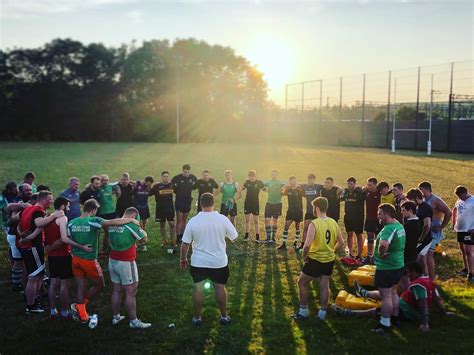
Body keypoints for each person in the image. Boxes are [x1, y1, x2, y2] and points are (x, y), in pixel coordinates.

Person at [68, 199, 140, 325]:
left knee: (80, 285)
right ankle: (81, 306)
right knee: (100, 285)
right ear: (94, 210)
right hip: (89, 260)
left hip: (75, 259)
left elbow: (68, 239)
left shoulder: (71, 222)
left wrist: (79, 246)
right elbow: (111, 222)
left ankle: (82, 314)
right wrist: (131, 220)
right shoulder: (94, 220)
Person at [341, 262, 452, 332]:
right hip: (405, 304)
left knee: (378, 310)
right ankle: (364, 293)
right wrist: (444, 312)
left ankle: (350, 312)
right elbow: (437, 299)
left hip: (407, 311)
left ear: (415, 272)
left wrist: (425, 324)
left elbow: (422, 304)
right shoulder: (429, 281)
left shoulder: (418, 285)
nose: (407, 275)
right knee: (386, 295)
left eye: (409, 272)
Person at [180, 193, 238, 326]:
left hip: (199, 262)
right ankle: (224, 316)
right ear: (214, 203)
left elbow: (185, 244)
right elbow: (234, 238)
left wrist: (183, 259)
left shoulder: (193, 221)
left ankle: (197, 318)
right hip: (219, 262)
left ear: (200, 204)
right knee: (220, 288)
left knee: (198, 288)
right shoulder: (222, 219)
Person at [293, 197, 344, 321]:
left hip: (315, 260)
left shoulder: (314, 223)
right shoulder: (333, 222)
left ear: (316, 208)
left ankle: (303, 311)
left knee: (302, 283)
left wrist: (305, 256)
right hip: (329, 259)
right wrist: (332, 250)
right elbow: (342, 242)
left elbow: (307, 245)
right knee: (324, 285)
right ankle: (322, 314)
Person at [44, 196, 92, 320]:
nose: (69, 208)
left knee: (53, 283)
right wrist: (81, 246)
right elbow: (64, 239)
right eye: (68, 205)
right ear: (63, 206)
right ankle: (65, 312)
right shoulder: (62, 218)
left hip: (51, 256)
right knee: (64, 284)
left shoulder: (48, 217)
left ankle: (53, 311)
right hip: (63, 255)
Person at [18, 191, 64, 314]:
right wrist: (54, 216)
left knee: (38, 276)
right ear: (44, 200)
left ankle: (34, 301)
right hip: (33, 247)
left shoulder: (28, 209)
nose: (52, 201)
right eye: (50, 199)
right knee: (34, 277)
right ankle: (31, 306)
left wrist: (21, 233)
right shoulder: (38, 210)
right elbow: (38, 223)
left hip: (28, 247)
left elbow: (18, 222)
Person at [108, 207, 151, 329]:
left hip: (112, 260)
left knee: (116, 290)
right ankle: (133, 321)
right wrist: (141, 228)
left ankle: (115, 316)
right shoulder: (131, 225)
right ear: (133, 217)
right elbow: (144, 239)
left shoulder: (113, 223)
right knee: (131, 292)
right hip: (126, 262)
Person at [370, 204, 406, 333]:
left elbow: (384, 244)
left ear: (387, 214)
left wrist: (380, 253)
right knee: (393, 292)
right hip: (398, 265)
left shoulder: (388, 229)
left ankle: (385, 323)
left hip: (387, 267)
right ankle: (395, 318)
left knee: (385, 296)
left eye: (380, 214)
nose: (378, 216)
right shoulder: (399, 225)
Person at [418, 182, 453, 280]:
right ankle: (425, 277)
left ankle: (431, 280)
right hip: (426, 232)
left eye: (421, 190)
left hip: (434, 232)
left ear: (426, 189)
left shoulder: (435, 200)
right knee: (423, 255)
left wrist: (441, 226)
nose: (420, 192)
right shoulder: (423, 200)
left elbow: (448, 212)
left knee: (428, 255)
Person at [406, 188, 433, 276]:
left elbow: (427, 225)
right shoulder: (418, 207)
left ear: (417, 198)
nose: (411, 202)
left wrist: (421, 239)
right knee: (421, 260)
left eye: (411, 200)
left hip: (425, 239)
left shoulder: (425, 208)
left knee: (419, 260)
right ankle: (425, 278)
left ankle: (424, 278)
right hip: (419, 238)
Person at [340, 177, 366, 259]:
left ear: (355, 184)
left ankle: (359, 254)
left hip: (358, 217)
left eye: (351, 184)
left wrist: (363, 188)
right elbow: (340, 198)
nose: (349, 185)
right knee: (349, 234)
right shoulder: (346, 192)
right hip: (347, 216)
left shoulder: (360, 191)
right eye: (348, 183)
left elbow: (367, 190)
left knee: (358, 235)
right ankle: (350, 253)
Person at [149, 171, 176, 247]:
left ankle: (172, 240)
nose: (166, 178)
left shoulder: (172, 185)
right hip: (160, 209)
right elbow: (149, 193)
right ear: (161, 177)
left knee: (172, 224)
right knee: (162, 225)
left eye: (167, 176)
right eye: (164, 176)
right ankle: (164, 240)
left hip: (170, 208)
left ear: (169, 177)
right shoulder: (157, 186)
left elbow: (179, 191)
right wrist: (151, 185)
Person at [400, 201, 423, 291]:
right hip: (413, 252)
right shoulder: (418, 221)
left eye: (403, 210)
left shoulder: (409, 225)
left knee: (404, 277)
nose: (401, 212)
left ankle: (406, 295)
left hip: (407, 254)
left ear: (410, 210)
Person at [453, 185, 474, 282]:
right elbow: (455, 209)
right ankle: (466, 269)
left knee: (469, 251)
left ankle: (472, 273)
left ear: (465, 192)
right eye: (458, 197)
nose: (460, 198)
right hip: (460, 229)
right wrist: (454, 222)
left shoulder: (473, 200)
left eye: (461, 196)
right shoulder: (459, 200)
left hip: (469, 229)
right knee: (463, 250)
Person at [172, 164, 197, 244]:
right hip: (179, 201)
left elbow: (197, 184)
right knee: (179, 220)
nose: (187, 174)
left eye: (188, 172)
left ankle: (183, 235)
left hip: (187, 201)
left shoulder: (192, 177)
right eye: (185, 172)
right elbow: (172, 187)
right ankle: (178, 236)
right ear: (182, 171)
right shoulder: (176, 178)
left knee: (184, 220)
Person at [278, 176, 305, 251]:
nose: (292, 182)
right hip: (290, 211)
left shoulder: (299, 189)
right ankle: (283, 244)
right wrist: (283, 187)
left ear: (296, 181)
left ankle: (295, 243)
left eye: (293, 181)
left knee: (297, 227)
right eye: (291, 181)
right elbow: (281, 194)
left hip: (298, 211)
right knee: (286, 227)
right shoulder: (288, 189)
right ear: (289, 182)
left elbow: (306, 195)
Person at [263, 170, 286, 243]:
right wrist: (265, 190)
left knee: (275, 221)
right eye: (272, 174)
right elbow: (261, 184)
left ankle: (273, 238)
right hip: (269, 203)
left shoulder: (280, 182)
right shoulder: (268, 182)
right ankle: (268, 238)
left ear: (277, 175)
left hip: (277, 204)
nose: (274, 175)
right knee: (267, 220)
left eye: (275, 174)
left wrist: (283, 188)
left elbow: (286, 184)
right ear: (271, 175)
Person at [242, 170, 265, 242]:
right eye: (250, 176)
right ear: (248, 177)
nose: (251, 178)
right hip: (247, 203)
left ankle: (257, 236)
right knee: (247, 220)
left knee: (256, 221)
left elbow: (265, 189)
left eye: (253, 176)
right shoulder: (247, 182)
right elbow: (241, 188)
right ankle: (246, 235)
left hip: (255, 203)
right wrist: (243, 184)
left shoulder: (259, 182)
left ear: (255, 176)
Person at [362, 177, 381, 263]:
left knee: (378, 238)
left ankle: (377, 256)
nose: (368, 186)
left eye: (370, 185)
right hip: (369, 219)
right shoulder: (367, 192)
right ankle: (369, 255)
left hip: (377, 219)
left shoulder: (379, 193)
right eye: (367, 184)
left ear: (375, 185)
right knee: (370, 237)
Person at [301, 173, 323, 244]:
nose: (309, 182)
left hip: (316, 212)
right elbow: (297, 184)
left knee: (316, 229)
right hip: (308, 211)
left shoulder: (318, 186)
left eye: (311, 180)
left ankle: (316, 244)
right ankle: (303, 244)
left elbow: (327, 185)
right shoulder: (305, 186)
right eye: (308, 180)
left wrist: (340, 188)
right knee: (305, 228)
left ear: (314, 180)